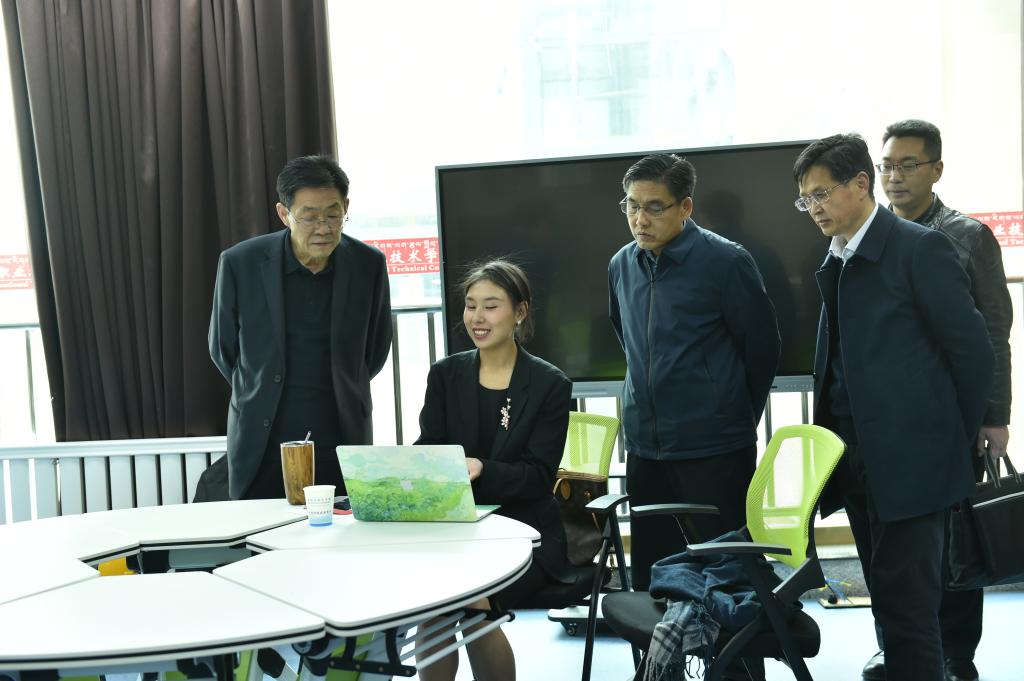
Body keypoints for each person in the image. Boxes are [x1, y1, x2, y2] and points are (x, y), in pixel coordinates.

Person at [793, 133, 994, 681]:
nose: (814, 208)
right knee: (885, 599)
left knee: (909, 611)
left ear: (861, 184)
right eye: (806, 199)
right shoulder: (838, 254)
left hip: (914, 463)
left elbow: (973, 353)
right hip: (855, 456)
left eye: (821, 194)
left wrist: (950, 441)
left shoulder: (919, 248)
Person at [852, 120, 1014, 681]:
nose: (894, 177)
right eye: (886, 166)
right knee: (888, 546)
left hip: (951, 418)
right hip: (887, 425)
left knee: (954, 541)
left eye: (908, 165)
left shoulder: (966, 235)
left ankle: (955, 654)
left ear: (937, 170)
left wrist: (994, 417)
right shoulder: (869, 237)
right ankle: (895, 646)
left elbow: (992, 333)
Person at [608, 153, 781, 590]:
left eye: (654, 207)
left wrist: (732, 414)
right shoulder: (621, 264)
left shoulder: (726, 261)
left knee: (727, 575)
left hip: (713, 447)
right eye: (631, 205)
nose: (639, 219)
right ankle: (660, 641)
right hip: (645, 446)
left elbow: (762, 349)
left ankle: (735, 642)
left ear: (685, 206)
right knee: (655, 575)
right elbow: (627, 339)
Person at [413, 259, 572, 681]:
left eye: (491, 306)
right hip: (455, 533)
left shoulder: (549, 384)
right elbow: (429, 450)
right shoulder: (445, 375)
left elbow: (538, 477)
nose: (477, 318)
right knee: (436, 601)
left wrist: (483, 468)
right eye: (470, 306)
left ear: (520, 312)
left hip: (524, 534)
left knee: (467, 598)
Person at [209, 155, 392, 499]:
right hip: (262, 437)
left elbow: (376, 348)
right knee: (259, 527)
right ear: (284, 213)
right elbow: (223, 348)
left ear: (346, 207)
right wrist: (259, 386)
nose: (323, 228)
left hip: (341, 435)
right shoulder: (240, 263)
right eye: (309, 216)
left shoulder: (368, 265)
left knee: (340, 527)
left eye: (333, 215)